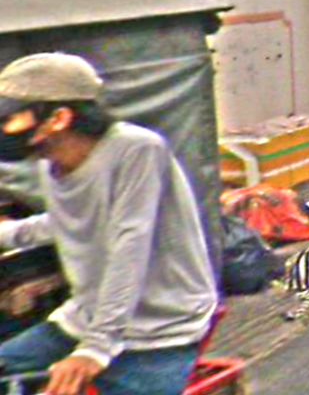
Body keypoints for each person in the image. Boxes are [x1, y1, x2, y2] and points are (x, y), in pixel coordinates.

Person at [0, 52, 219, 395]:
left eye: (10, 118)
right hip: (85, 317)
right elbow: (71, 220)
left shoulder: (137, 150)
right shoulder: (50, 163)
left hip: (159, 328)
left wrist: (95, 349)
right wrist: (8, 234)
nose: (4, 128)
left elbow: (130, 244)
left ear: (59, 118)